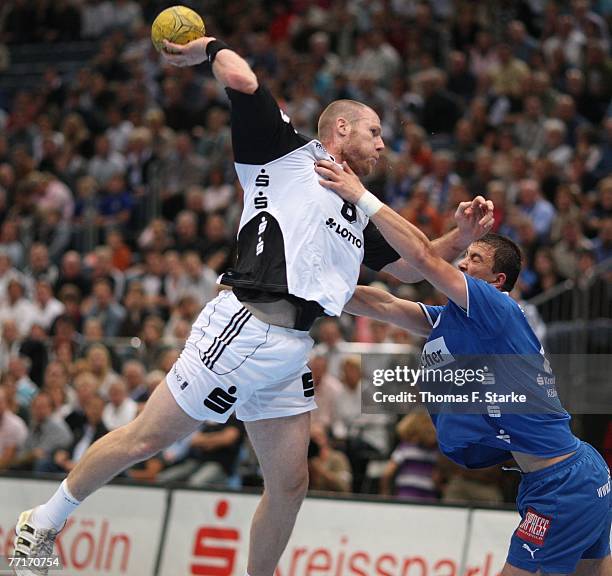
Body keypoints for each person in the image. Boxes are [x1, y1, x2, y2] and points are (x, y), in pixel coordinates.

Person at [12, 31, 493, 576]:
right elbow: (242, 80)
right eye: (374, 131)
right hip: (245, 328)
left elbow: (412, 265)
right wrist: (206, 47)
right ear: (341, 128)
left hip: (290, 351)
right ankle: (44, 521)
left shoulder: (358, 205)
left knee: (290, 486)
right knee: (145, 438)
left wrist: (458, 236)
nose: (384, 144)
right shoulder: (286, 154)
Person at [314, 159, 611, 576]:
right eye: (465, 255)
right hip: (563, 474)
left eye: (474, 258)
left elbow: (420, 258)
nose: (463, 263)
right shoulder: (447, 319)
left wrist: (358, 195)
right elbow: (378, 302)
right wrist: (299, 282)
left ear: (497, 281)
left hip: (563, 481)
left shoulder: (496, 307)